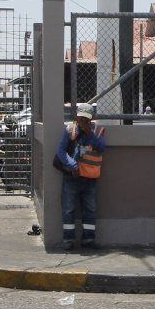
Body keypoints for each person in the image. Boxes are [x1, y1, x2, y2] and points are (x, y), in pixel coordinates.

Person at [55, 103, 106, 250]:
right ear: (76, 117)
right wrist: (72, 165)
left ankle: (88, 239)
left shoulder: (96, 130)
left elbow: (101, 147)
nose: (83, 121)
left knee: (90, 209)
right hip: (72, 177)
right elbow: (61, 151)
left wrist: (88, 133)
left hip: (89, 178)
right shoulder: (70, 130)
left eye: (86, 119)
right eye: (81, 118)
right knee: (68, 208)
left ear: (92, 119)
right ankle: (68, 239)